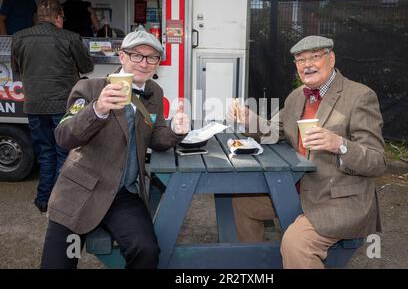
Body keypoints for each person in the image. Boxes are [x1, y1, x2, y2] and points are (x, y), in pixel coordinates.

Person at [229, 35, 386, 269]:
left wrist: (339, 144)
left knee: (296, 244)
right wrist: (249, 119)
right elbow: (274, 131)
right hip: (298, 191)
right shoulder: (297, 96)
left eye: (315, 56)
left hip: (338, 200)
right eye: (300, 60)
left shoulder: (359, 96)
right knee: (243, 203)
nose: (307, 64)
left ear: (331, 59)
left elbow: (377, 160)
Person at [40, 28, 190, 269]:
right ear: (122, 57)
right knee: (57, 264)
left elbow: (157, 137)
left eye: (152, 57)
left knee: (146, 250)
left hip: (124, 195)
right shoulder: (90, 88)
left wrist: (176, 131)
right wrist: (97, 109)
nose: (144, 63)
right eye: (136, 55)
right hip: (79, 192)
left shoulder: (154, 93)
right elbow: (64, 137)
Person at [11, 0, 94, 213]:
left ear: (39, 17)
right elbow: (87, 66)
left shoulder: (19, 37)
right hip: (62, 104)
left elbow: (17, 69)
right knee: (64, 153)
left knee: (45, 153)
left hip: (34, 105)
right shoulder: (70, 37)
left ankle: (43, 199)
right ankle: (59, 201)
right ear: (58, 17)